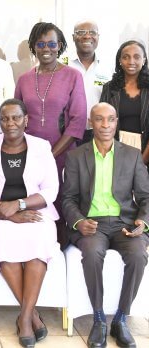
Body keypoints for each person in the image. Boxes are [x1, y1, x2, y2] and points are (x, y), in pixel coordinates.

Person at [0, 99, 59, 348]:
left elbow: (51, 190)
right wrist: (3, 213)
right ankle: (30, 317)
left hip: (34, 212)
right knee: (2, 242)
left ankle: (25, 316)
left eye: (16, 118)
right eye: (5, 119)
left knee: (39, 242)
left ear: (26, 120)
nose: (11, 123)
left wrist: (19, 205)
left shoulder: (42, 147)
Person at [62, 102, 149, 348]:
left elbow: (145, 196)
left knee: (138, 256)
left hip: (125, 223)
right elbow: (67, 198)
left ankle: (121, 319)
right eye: (99, 119)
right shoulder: (76, 156)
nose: (105, 125)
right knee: (91, 253)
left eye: (110, 119)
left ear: (116, 121)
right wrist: (79, 222)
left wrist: (143, 222)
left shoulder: (131, 155)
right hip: (92, 224)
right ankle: (99, 319)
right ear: (91, 122)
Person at [15, 22, 87, 248]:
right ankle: (35, 252)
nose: (46, 48)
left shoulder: (73, 76)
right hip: (30, 157)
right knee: (33, 204)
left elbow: (78, 120)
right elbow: (16, 119)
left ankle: (61, 256)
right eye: (41, 43)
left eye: (52, 43)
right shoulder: (24, 79)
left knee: (63, 205)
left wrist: (51, 154)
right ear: (33, 47)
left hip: (64, 155)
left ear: (61, 46)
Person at [100, 40, 149, 161]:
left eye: (136, 57)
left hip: (146, 150)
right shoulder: (109, 88)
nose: (131, 61)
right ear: (120, 61)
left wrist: (143, 160)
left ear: (144, 60)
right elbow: (102, 123)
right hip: (115, 151)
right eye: (126, 57)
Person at [69, 21, 111, 144]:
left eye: (92, 32)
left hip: (98, 133)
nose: (87, 36)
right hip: (66, 132)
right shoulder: (62, 64)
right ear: (73, 37)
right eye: (81, 32)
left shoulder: (107, 68)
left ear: (98, 37)